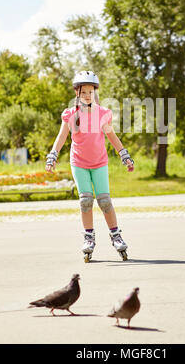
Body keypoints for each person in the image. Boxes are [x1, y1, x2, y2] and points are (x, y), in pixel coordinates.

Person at [45, 70, 134, 262]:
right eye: (83, 92)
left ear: (95, 93)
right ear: (77, 93)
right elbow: (61, 137)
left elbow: (112, 137)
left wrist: (124, 155)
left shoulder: (102, 114)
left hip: (99, 163)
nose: (87, 95)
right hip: (79, 163)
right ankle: (88, 237)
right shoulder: (70, 114)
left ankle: (115, 234)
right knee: (85, 200)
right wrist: (53, 155)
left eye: (90, 92)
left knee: (104, 201)